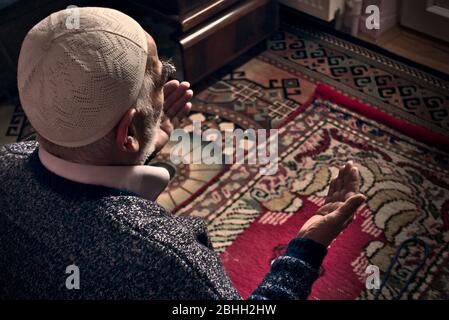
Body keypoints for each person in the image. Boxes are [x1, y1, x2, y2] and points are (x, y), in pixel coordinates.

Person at [0, 7, 366, 299]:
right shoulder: (166, 261)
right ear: (126, 132)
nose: (169, 83)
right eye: (160, 78)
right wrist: (306, 248)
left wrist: (145, 143)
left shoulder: (7, 160)